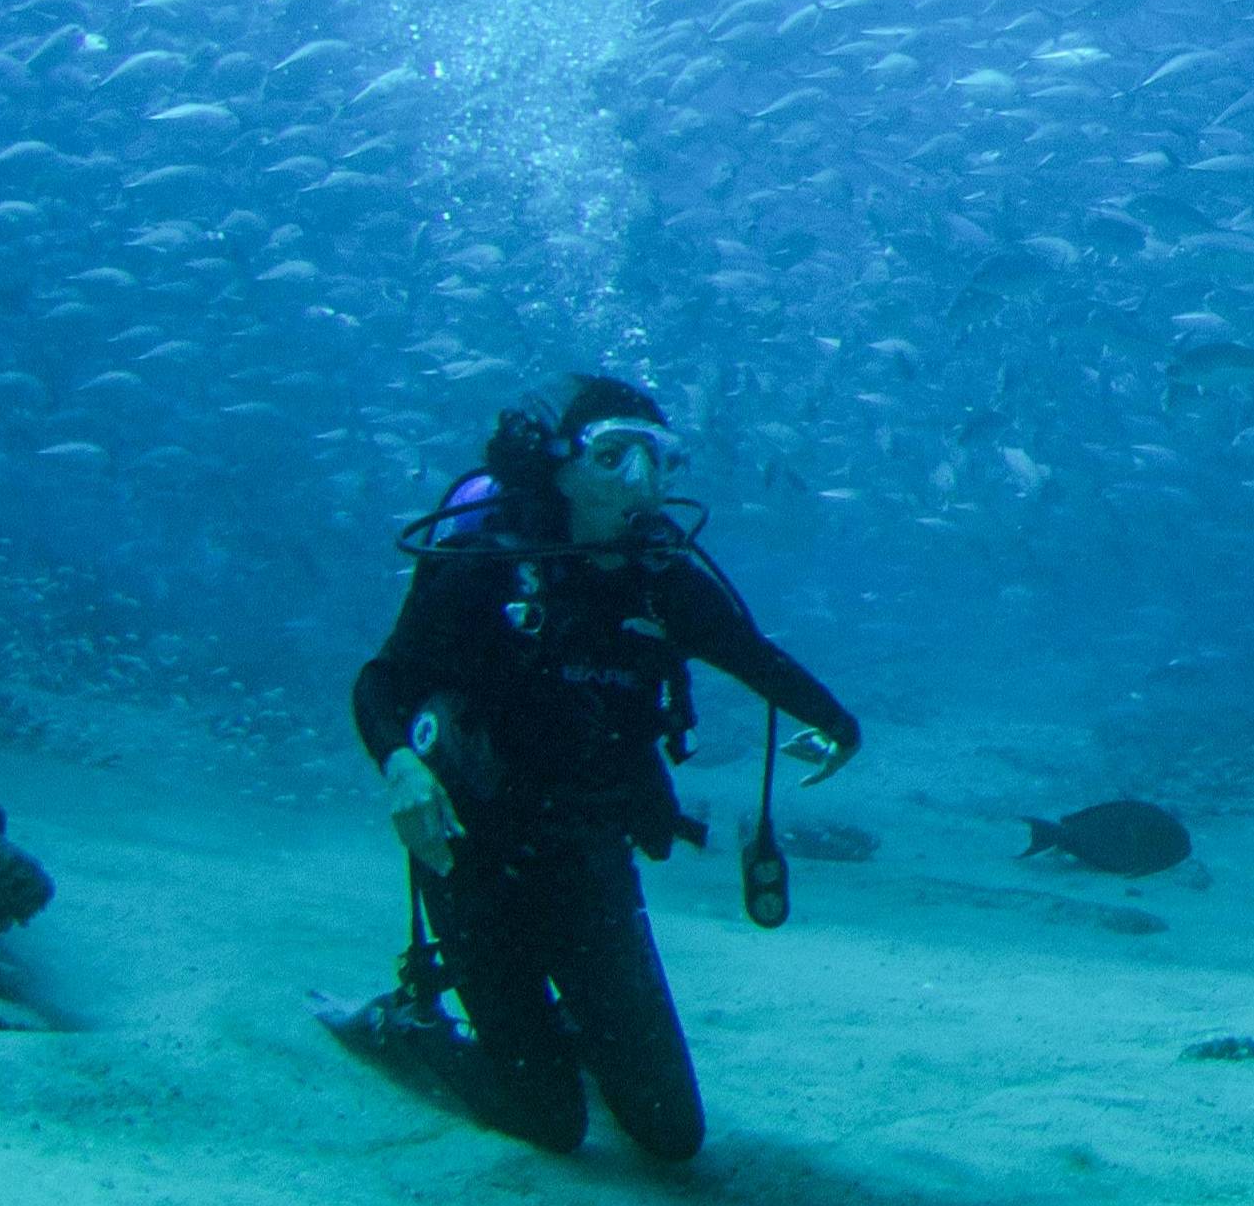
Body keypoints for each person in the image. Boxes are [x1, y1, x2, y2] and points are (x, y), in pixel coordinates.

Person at [326, 374, 859, 1163]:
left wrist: (840, 725)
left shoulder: (662, 578)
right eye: (612, 455)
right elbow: (384, 682)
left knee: (671, 1135)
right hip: (472, 852)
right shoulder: (487, 565)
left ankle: (572, 1027)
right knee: (547, 1122)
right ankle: (411, 1029)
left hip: (587, 851)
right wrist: (401, 763)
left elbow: (751, 655)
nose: (637, 482)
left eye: (658, 460)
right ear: (562, 464)